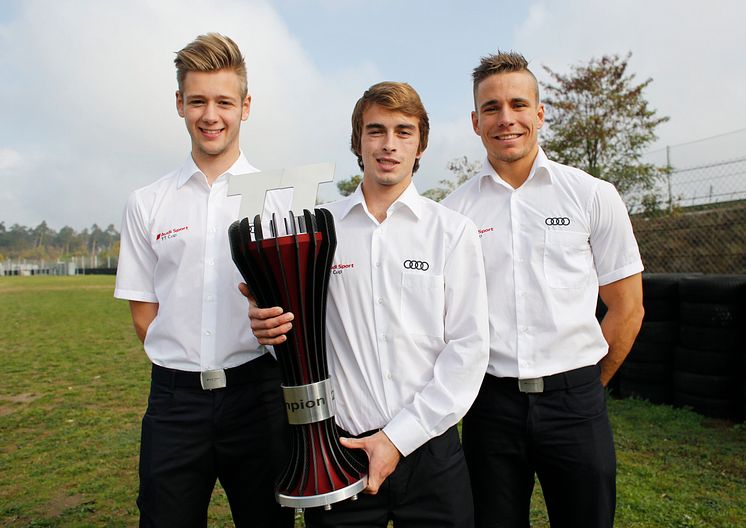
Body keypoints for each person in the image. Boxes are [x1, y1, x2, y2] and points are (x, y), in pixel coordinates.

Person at [248, 81, 489, 528]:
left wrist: (398, 439)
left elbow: (468, 350)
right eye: (376, 130)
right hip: (340, 452)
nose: (389, 145)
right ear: (358, 140)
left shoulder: (453, 232)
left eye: (404, 131)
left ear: (421, 144)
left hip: (431, 451)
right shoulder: (316, 231)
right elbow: (293, 342)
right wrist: (267, 329)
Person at [441, 51, 645, 528]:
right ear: (475, 121)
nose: (505, 118)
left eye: (517, 104)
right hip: (489, 406)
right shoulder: (453, 214)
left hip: (576, 403)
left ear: (540, 113)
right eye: (491, 108)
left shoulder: (593, 195)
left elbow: (627, 308)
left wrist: (587, 389)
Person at [114, 33, 294, 528]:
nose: (210, 115)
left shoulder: (279, 199)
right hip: (175, 405)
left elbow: (299, 307)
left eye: (223, 101)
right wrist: (184, 365)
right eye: (197, 101)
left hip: (257, 396)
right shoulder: (146, 202)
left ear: (246, 106)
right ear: (179, 104)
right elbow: (143, 312)